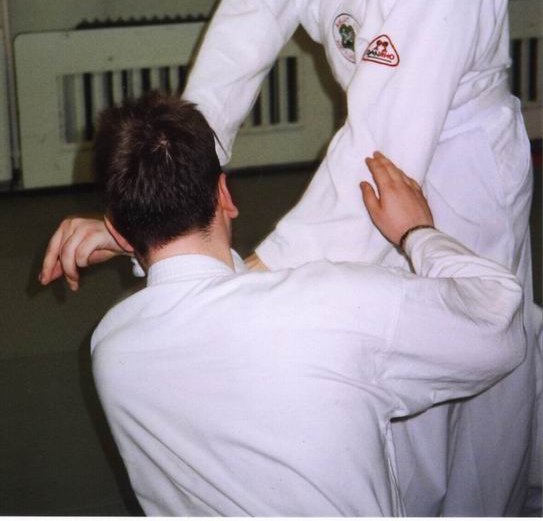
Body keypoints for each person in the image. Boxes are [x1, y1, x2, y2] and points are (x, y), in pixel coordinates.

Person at [41, 0, 539, 515]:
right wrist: (160, 210)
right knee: (370, 382)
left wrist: (249, 274)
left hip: (459, 174)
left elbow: (380, 148)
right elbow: (228, 67)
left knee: (468, 384)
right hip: (384, 152)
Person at [90, 92, 525, 517]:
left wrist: (134, 241)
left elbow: (193, 295)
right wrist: (417, 234)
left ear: (119, 233)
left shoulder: (110, 347)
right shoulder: (330, 306)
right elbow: (498, 327)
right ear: (225, 195)